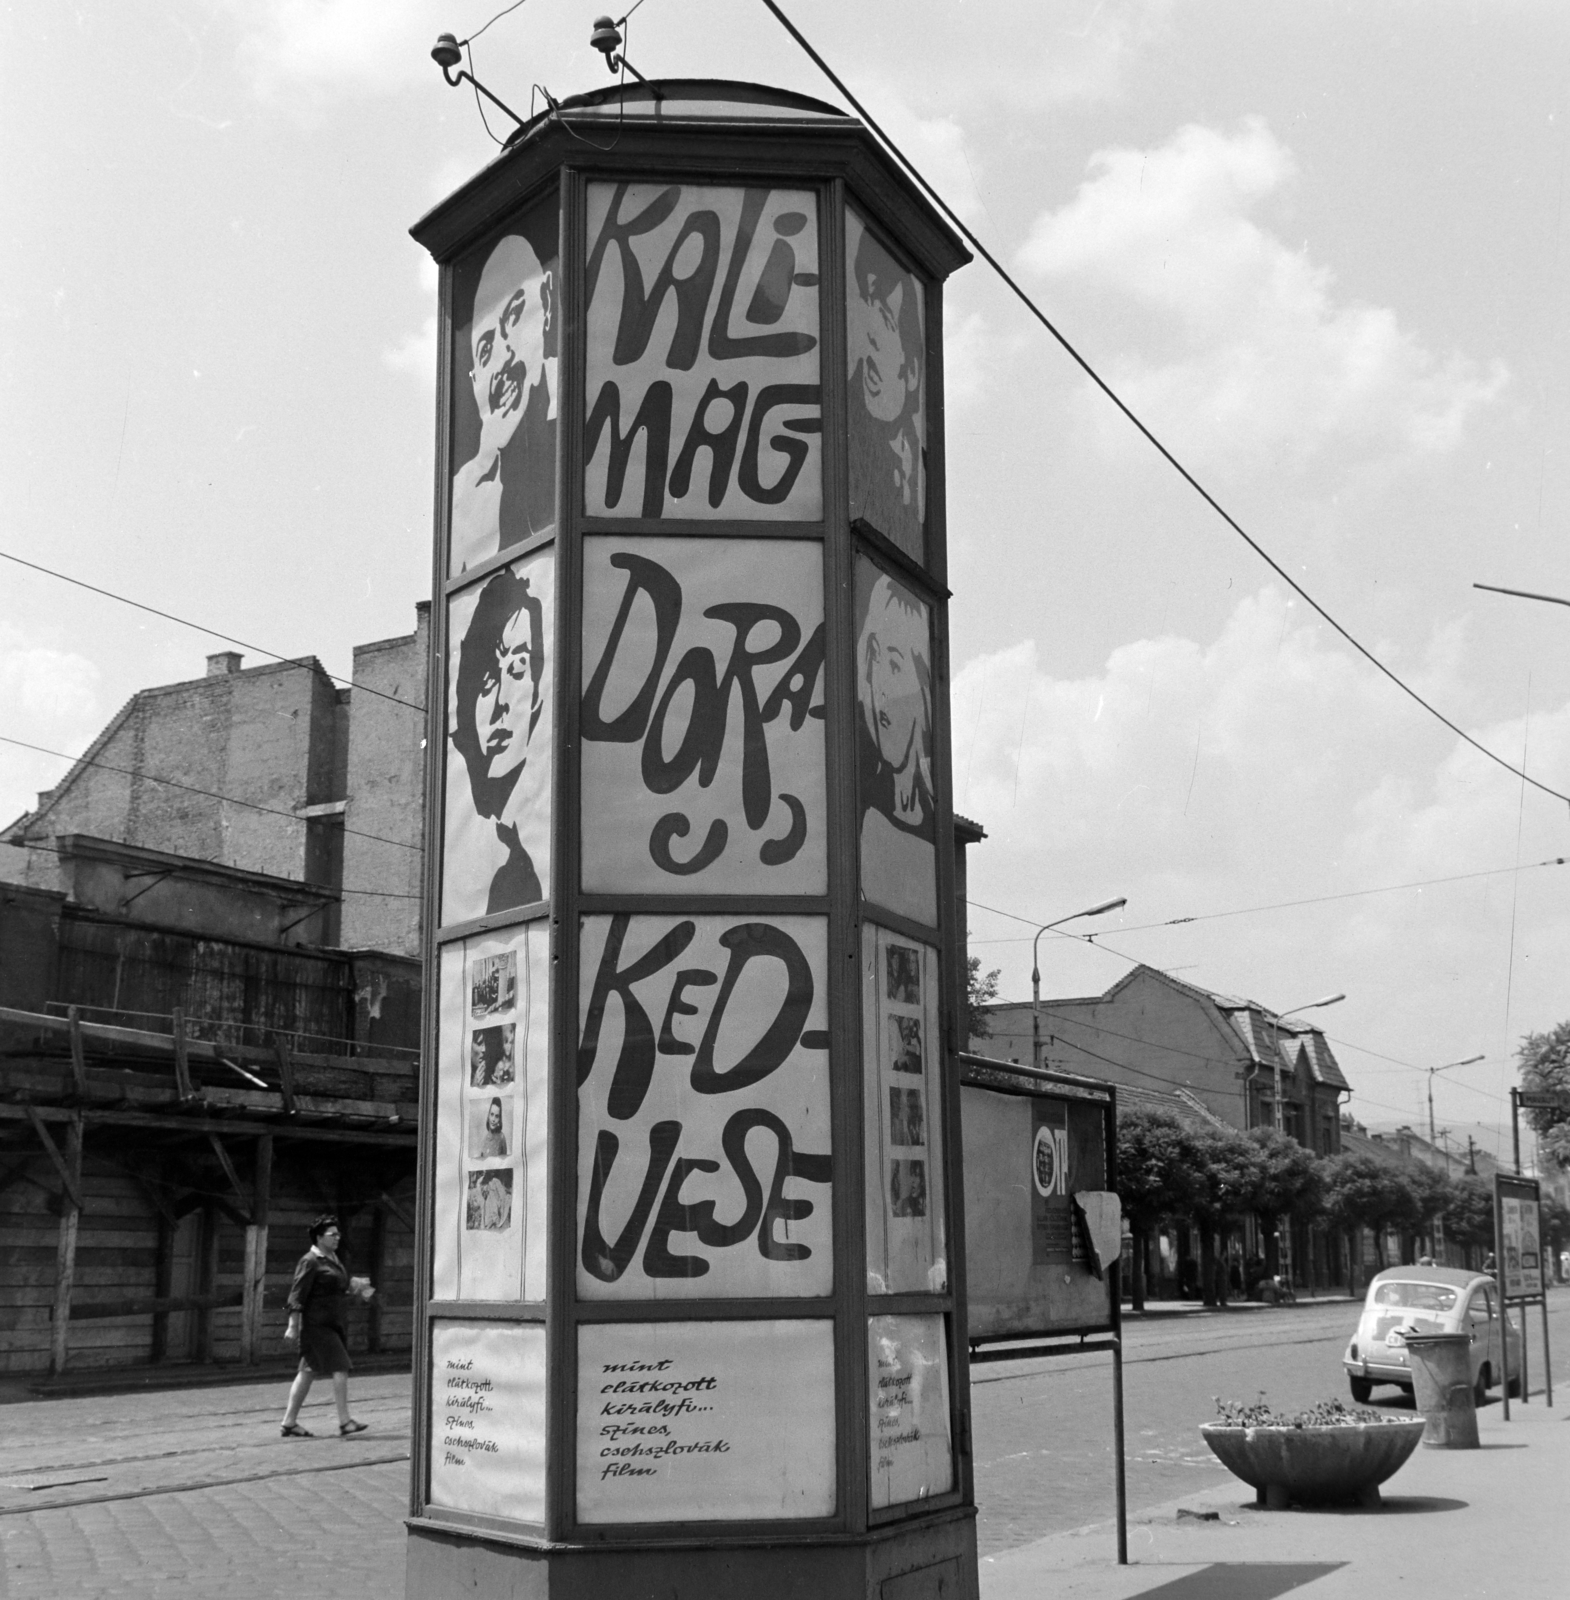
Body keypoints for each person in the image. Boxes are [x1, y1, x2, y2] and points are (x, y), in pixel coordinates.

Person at [451, 229, 557, 573]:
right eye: (485, 350)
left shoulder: (586, 417)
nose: (505, 352)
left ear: (548, 306)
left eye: (516, 317)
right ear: (476, 379)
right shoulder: (468, 490)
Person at [451, 565, 548, 911]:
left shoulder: (544, 843)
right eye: (488, 681)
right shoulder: (464, 852)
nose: (502, 704)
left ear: (538, 689)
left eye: (519, 669)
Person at [846, 211, 924, 555]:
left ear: (912, 372)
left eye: (878, 343)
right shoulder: (847, 440)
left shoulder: (919, 465)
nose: (866, 365)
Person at [279, 1215, 370, 1439]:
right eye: (332, 1234)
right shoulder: (310, 1261)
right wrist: (292, 1326)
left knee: (307, 1373)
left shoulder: (332, 1259)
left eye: (338, 1234)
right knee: (341, 1366)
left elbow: (333, 1289)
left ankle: (289, 1423)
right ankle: (345, 1421)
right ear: (319, 1238)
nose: (337, 1237)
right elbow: (297, 1294)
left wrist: (355, 1288)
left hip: (333, 1323)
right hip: (318, 1326)